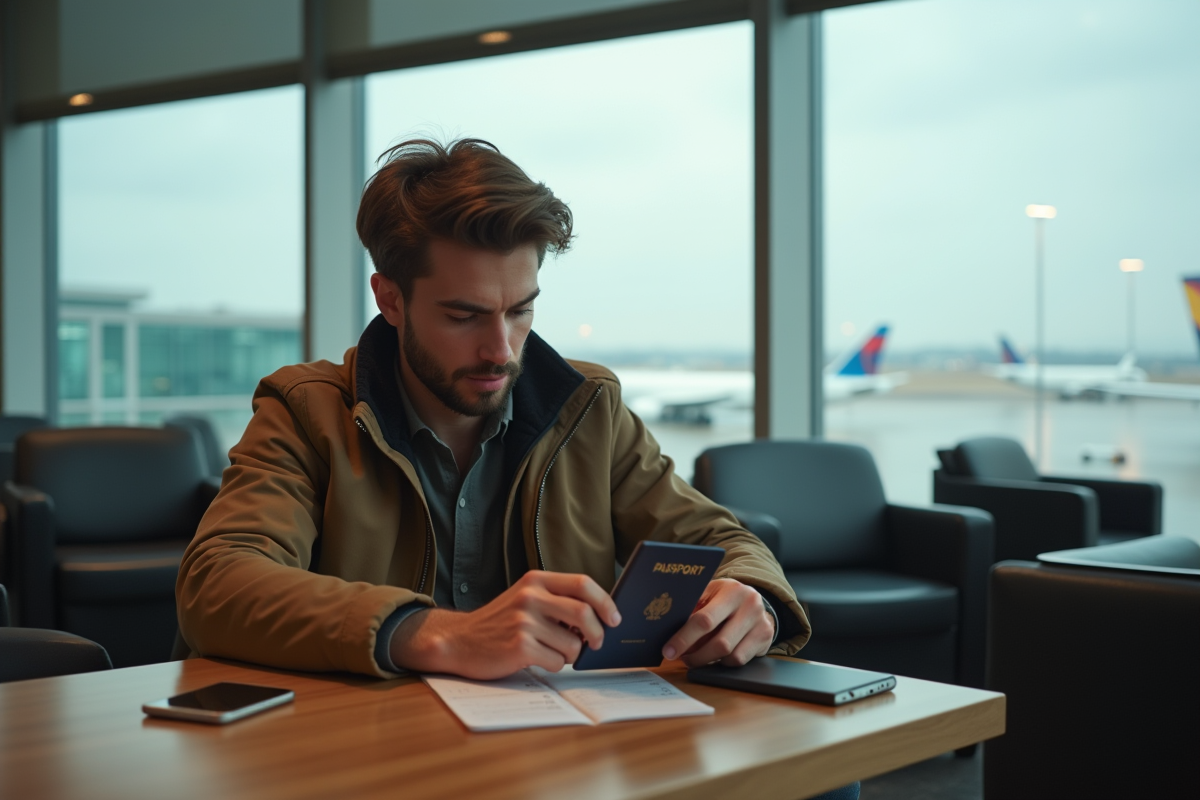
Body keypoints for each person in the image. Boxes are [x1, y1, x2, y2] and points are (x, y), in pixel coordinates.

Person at [176, 137, 811, 680]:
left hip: (553, 754)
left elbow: (719, 540)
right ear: (390, 299)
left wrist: (752, 596)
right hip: (367, 752)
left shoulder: (590, 408)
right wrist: (435, 634)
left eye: (521, 309)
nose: (501, 350)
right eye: (464, 315)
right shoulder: (305, 410)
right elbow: (218, 584)